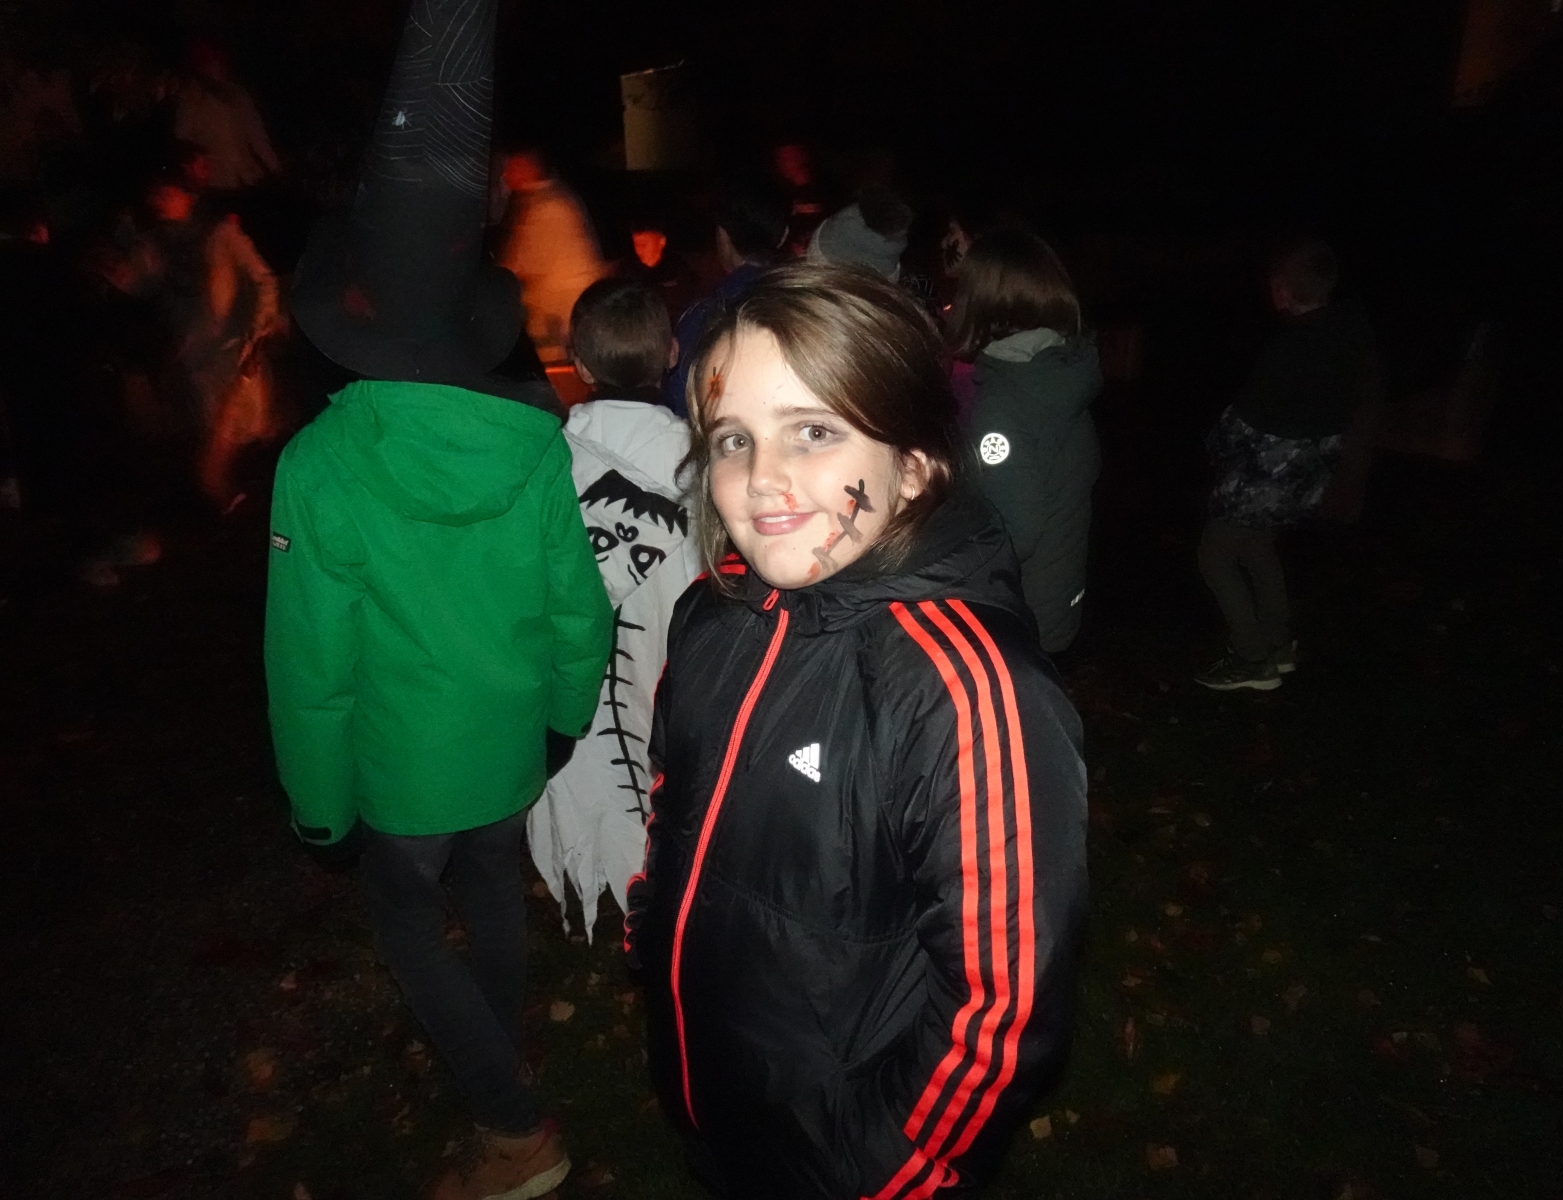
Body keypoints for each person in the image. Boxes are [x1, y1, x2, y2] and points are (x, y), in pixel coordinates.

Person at [625, 263, 1088, 1199]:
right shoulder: (712, 617)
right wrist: (651, 924)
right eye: (733, 438)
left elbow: (1001, 1009)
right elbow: (673, 799)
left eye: (814, 431)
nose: (762, 478)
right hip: (717, 1097)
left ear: (912, 465)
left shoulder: (964, 690)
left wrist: (886, 1167)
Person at [265, 3, 612, 1197]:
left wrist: (321, 809)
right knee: (492, 885)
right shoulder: (533, 442)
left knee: (408, 917)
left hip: (404, 767)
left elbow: (311, 663)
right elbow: (577, 608)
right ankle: (493, 1043)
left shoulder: (320, 465)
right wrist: (561, 718)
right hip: (507, 740)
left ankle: (513, 1126)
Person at [528, 279, 700, 938]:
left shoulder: (545, 462)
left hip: (574, 689)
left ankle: (596, 883)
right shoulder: (704, 464)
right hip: (672, 671)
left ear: (578, 363)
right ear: (671, 353)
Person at [1195, 238, 1383, 691]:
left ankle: (1251, 657)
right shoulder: (1350, 331)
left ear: (1284, 289)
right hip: (1310, 475)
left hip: (1268, 477)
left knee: (1214, 555)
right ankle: (1278, 645)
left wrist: (1214, 446)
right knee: (1259, 547)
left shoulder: (1293, 347)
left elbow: (1242, 425)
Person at [949, 230, 1102, 658]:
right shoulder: (1060, 368)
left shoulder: (1005, 405)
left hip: (1017, 616)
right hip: (1059, 590)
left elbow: (1013, 531)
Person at [103, 172, 283, 509]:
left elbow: (264, 282)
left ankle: (256, 505)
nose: (158, 202)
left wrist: (259, 332)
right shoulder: (155, 246)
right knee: (214, 449)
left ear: (188, 195)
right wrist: (112, 268)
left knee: (245, 440)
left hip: (235, 358)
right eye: (154, 194)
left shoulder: (221, 235)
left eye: (166, 193)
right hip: (195, 364)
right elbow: (134, 283)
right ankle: (235, 504)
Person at [662, 175, 788, 417]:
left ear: (722, 236)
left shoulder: (703, 318)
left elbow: (683, 405)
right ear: (784, 235)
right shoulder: (810, 304)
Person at [494, 147, 605, 363]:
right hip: (563, 305)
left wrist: (496, 281)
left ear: (525, 168)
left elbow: (520, 262)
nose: (506, 176)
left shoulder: (547, 206)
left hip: (559, 307)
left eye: (510, 169)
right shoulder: (550, 197)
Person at [172, 39, 280, 192]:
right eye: (211, 63)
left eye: (219, 62)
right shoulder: (191, 99)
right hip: (216, 182)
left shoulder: (239, 95)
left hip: (247, 177)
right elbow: (184, 142)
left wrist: (276, 168)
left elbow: (257, 136)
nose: (218, 67)